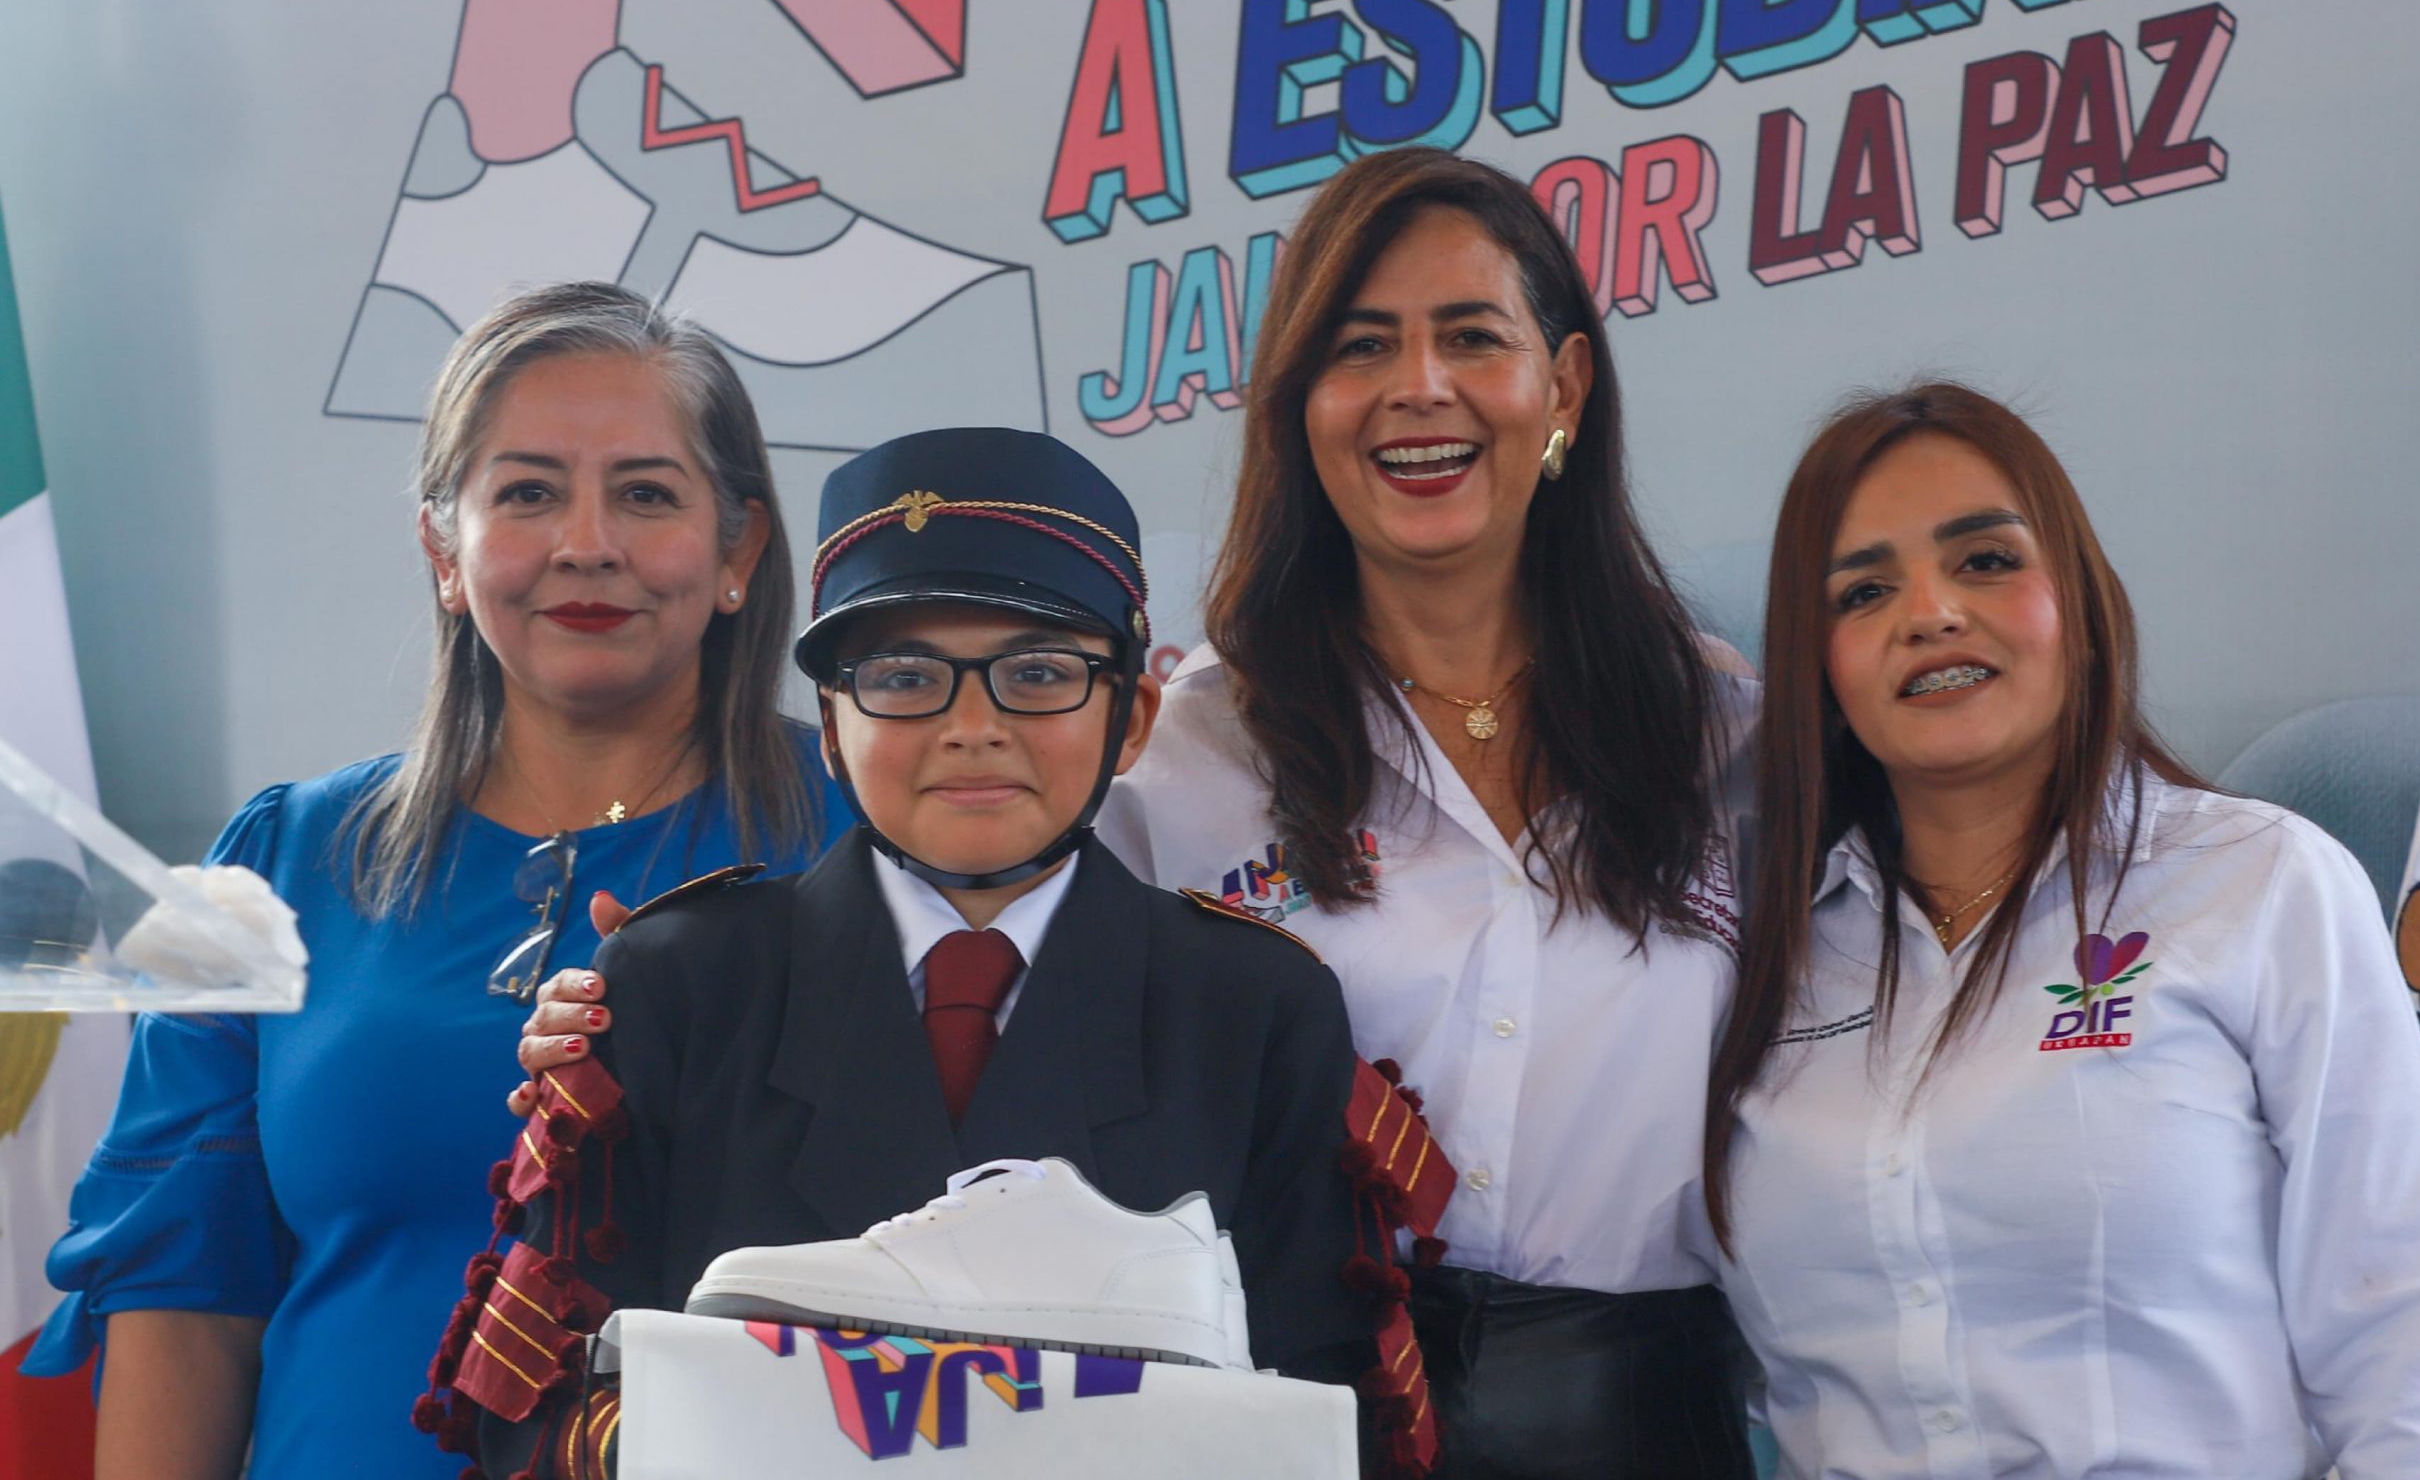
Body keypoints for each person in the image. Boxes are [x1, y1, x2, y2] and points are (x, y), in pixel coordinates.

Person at [512, 150, 1762, 1475]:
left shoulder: (1728, 738)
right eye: (1362, 343)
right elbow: (979, 933)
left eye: (1470, 335)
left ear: (1562, 382)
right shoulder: (1206, 741)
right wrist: (628, 1009)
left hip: (1646, 1407)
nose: (976, 722)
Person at [434, 427, 1376, 1479]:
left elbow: (1329, 1408)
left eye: (1037, 671)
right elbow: (530, 1399)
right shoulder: (676, 984)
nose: (970, 726)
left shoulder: (1252, 1008)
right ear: (831, 724)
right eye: (902, 675)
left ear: (1134, 716)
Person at [27, 283, 844, 1480]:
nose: (586, 543)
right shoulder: (277, 861)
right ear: (443, 549)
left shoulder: (865, 847)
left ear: (739, 550)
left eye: (646, 492)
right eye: (526, 492)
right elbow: (182, 1304)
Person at [1702, 381, 2420, 1477]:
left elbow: (2398, 1336)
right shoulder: (1765, 954)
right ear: (1819, 672)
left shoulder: (2256, 884)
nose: (1928, 612)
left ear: (2077, 600)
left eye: (1983, 560)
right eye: (1864, 590)